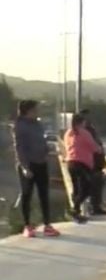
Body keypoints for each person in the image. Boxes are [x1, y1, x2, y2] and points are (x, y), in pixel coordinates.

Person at [11, 100, 60, 237]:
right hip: (28, 164)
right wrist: (25, 167)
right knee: (27, 195)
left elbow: (42, 141)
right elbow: (19, 148)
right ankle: (27, 226)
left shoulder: (38, 124)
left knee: (44, 194)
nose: (38, 112)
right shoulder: (19, 125)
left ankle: (47, 225)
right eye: (36, 109)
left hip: (41, 163)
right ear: (28, 111)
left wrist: (47, 151)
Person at [64, 114, 100, 223]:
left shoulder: (68, 133)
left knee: (76, 188)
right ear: (82, 122)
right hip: (83, 164)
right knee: (87, 188)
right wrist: (99, 149)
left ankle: (76, 212)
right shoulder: (84, 133)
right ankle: (74, 209)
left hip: (70, 162)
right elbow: (94, 147)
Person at [82, 111, 106, 216]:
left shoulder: (92, 130)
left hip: (98, 161)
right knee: (91, 185)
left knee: (98, 185)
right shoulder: (83, 131)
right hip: (90, 162)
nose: (89, 119)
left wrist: (105, 162)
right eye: (86, 117)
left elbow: (99, 146)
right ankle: (92, 206)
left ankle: (96, 206)